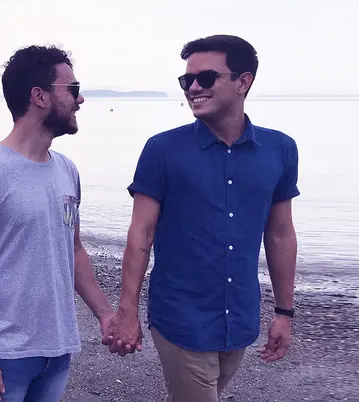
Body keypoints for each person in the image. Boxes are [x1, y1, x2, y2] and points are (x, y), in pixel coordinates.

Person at [103, 34, 301, 401]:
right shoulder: (162, 149)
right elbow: (141, 233)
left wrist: (284, 312)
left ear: (243, 82)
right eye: (186, 80)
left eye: (206, 78)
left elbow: (280, 234)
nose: (193, 87)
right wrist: (126, 310)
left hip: (240, 315)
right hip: (181, 317)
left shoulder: (281, 149)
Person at [0, 44, 116, 402]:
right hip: (3, 355)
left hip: (57, 350)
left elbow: (73, 251)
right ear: (39, 96)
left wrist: (105, 314)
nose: (80, 99)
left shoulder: (67, 171)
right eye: (71, 89)